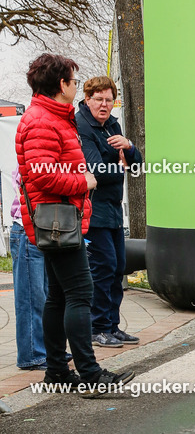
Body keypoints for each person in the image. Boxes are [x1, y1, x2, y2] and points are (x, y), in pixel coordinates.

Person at [15, 53, 135, 395]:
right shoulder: (42, 120)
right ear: (61, 84)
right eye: (71, 79)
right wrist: (84, 182)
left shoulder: (52, 117)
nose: (74, 84)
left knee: (58, 296)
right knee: (81, 293)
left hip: (58, 221)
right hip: (57, 221)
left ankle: (57, 371)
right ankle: (91, 374)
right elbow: (42, 176)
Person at [75, 76, 143, 347]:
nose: (104, 105)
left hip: (113, 211)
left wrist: (129, 147)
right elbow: (95, 170)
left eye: (109, 100)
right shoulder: (82, 126)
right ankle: (97, 327)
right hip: (92, 211)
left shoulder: (112, 124)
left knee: (117, 268)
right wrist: (119, 166)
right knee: (101, 269)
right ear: (87, 98)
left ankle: (112, 326)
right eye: (98, 99)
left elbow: (137, 165)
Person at [9, 165, 49, 369]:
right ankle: (32, 354)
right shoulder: (32, 156)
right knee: (31, 298)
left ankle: (44, 350)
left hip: (42, 227)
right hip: (27, 228)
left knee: (45, 296)